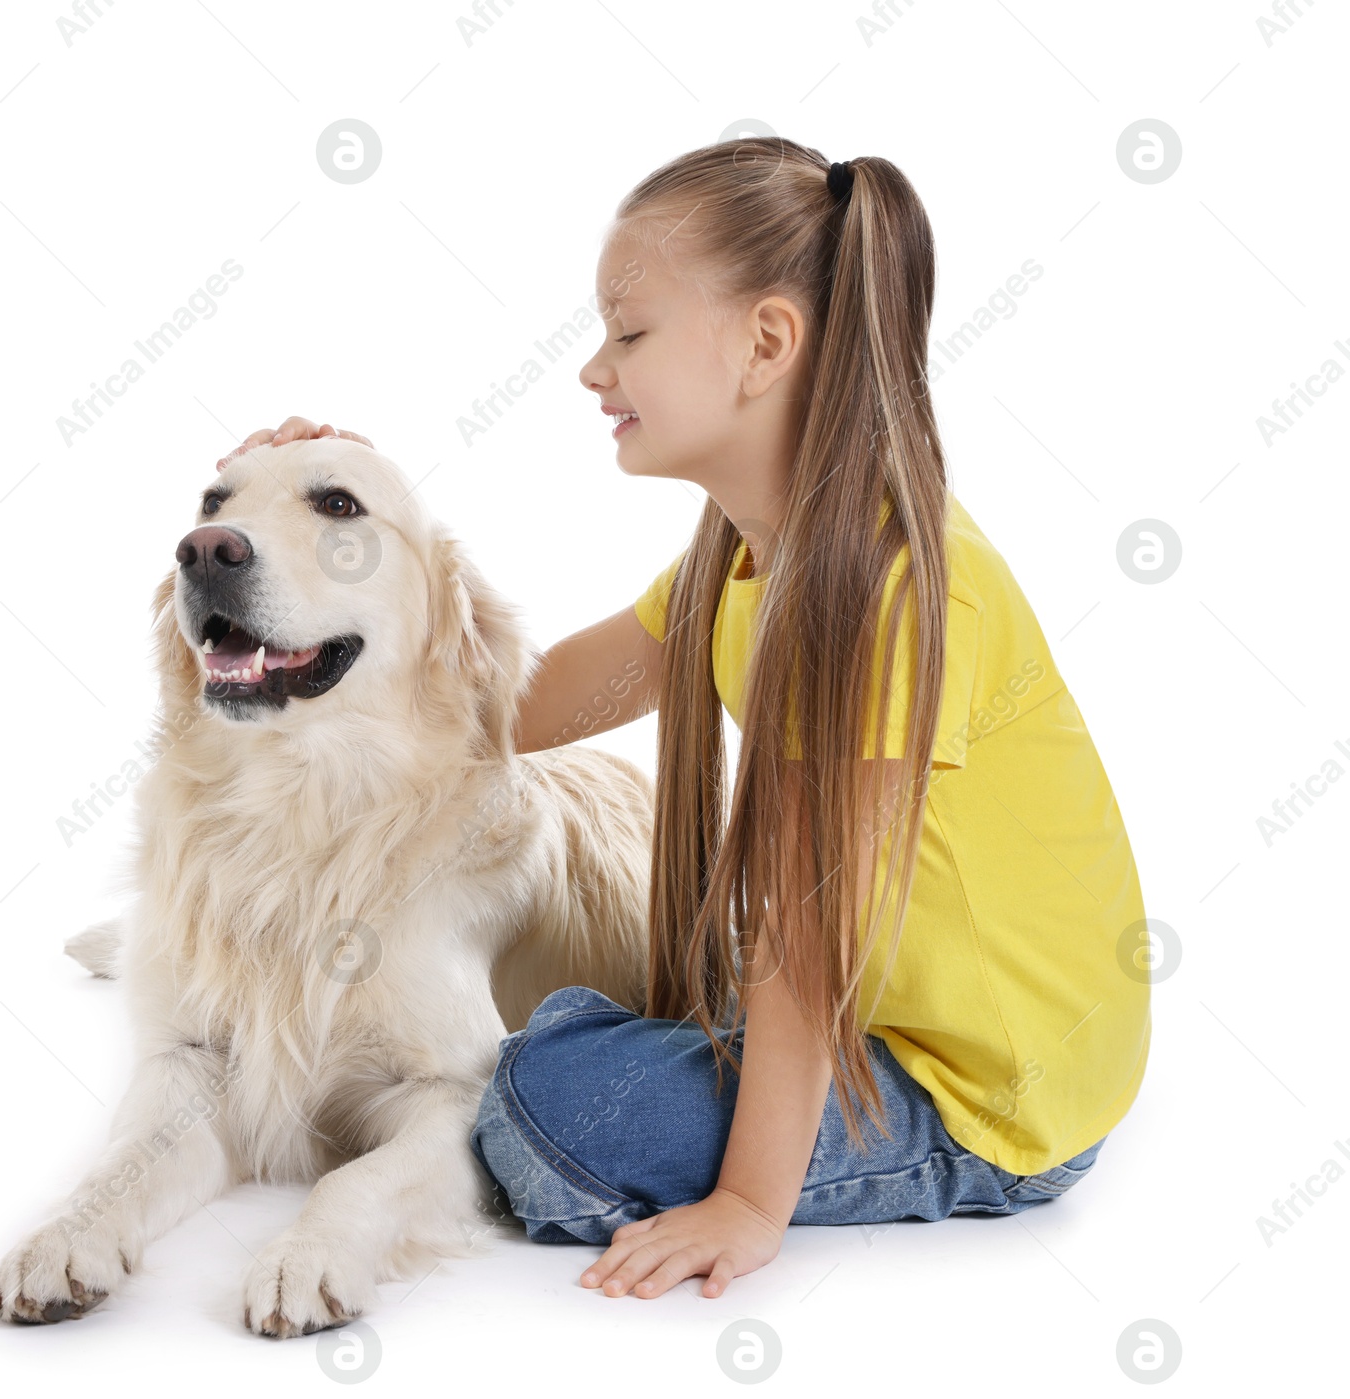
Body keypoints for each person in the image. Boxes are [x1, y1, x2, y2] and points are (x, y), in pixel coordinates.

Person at [221, 137, 1151, 1305]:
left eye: (630, 333)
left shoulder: (893, 591)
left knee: (543, 1115)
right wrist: (346, 527)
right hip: (884, 1014)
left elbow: (807, 947)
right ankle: (606, 1050)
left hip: (989, 1093)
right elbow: (517, 707)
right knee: (556, 1048)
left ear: (764, 344)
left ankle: (622, 1077)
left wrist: (750, 1205)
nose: (592, 371)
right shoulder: (738, 565)